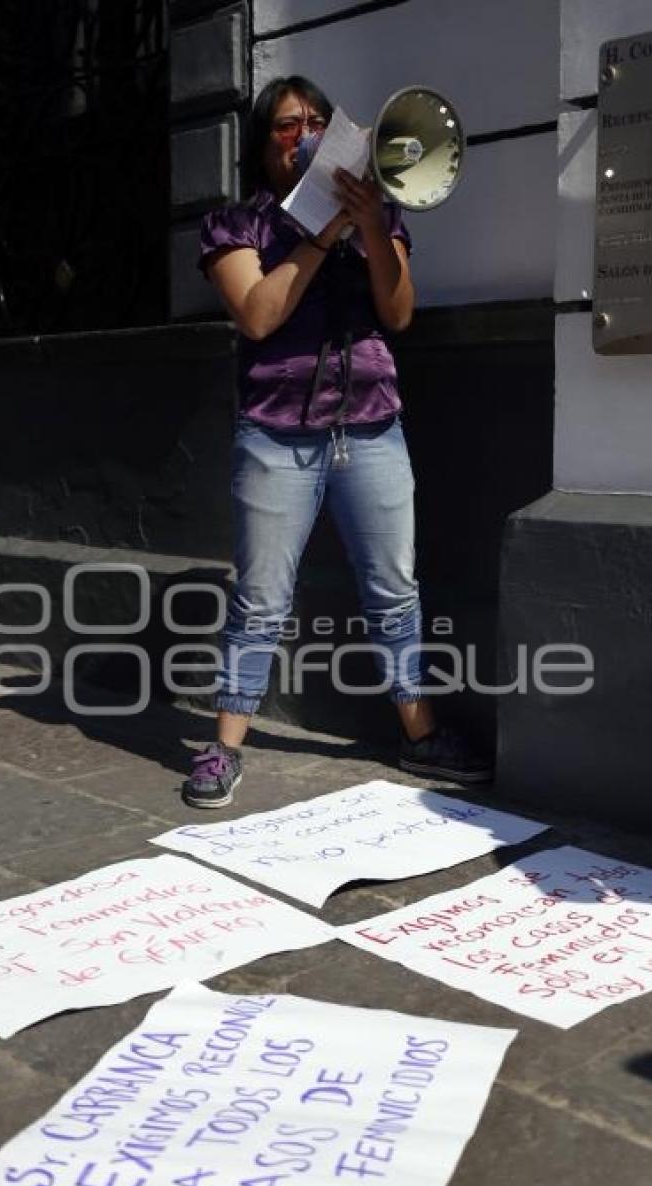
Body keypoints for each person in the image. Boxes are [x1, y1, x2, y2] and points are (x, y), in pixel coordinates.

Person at [182, 75, 491, 808]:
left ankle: (420, 733)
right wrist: (323, 234)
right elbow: (258, 315)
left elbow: (400, 311)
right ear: (263, 145)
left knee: (394, 590)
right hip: (277, 434)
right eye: (287, 126)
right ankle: (224, 747)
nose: (305, 134)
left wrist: (373, 229)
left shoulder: (375, 217)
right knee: (260, 598)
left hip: (372, 423)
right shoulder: (236, 225)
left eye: (317, 120)